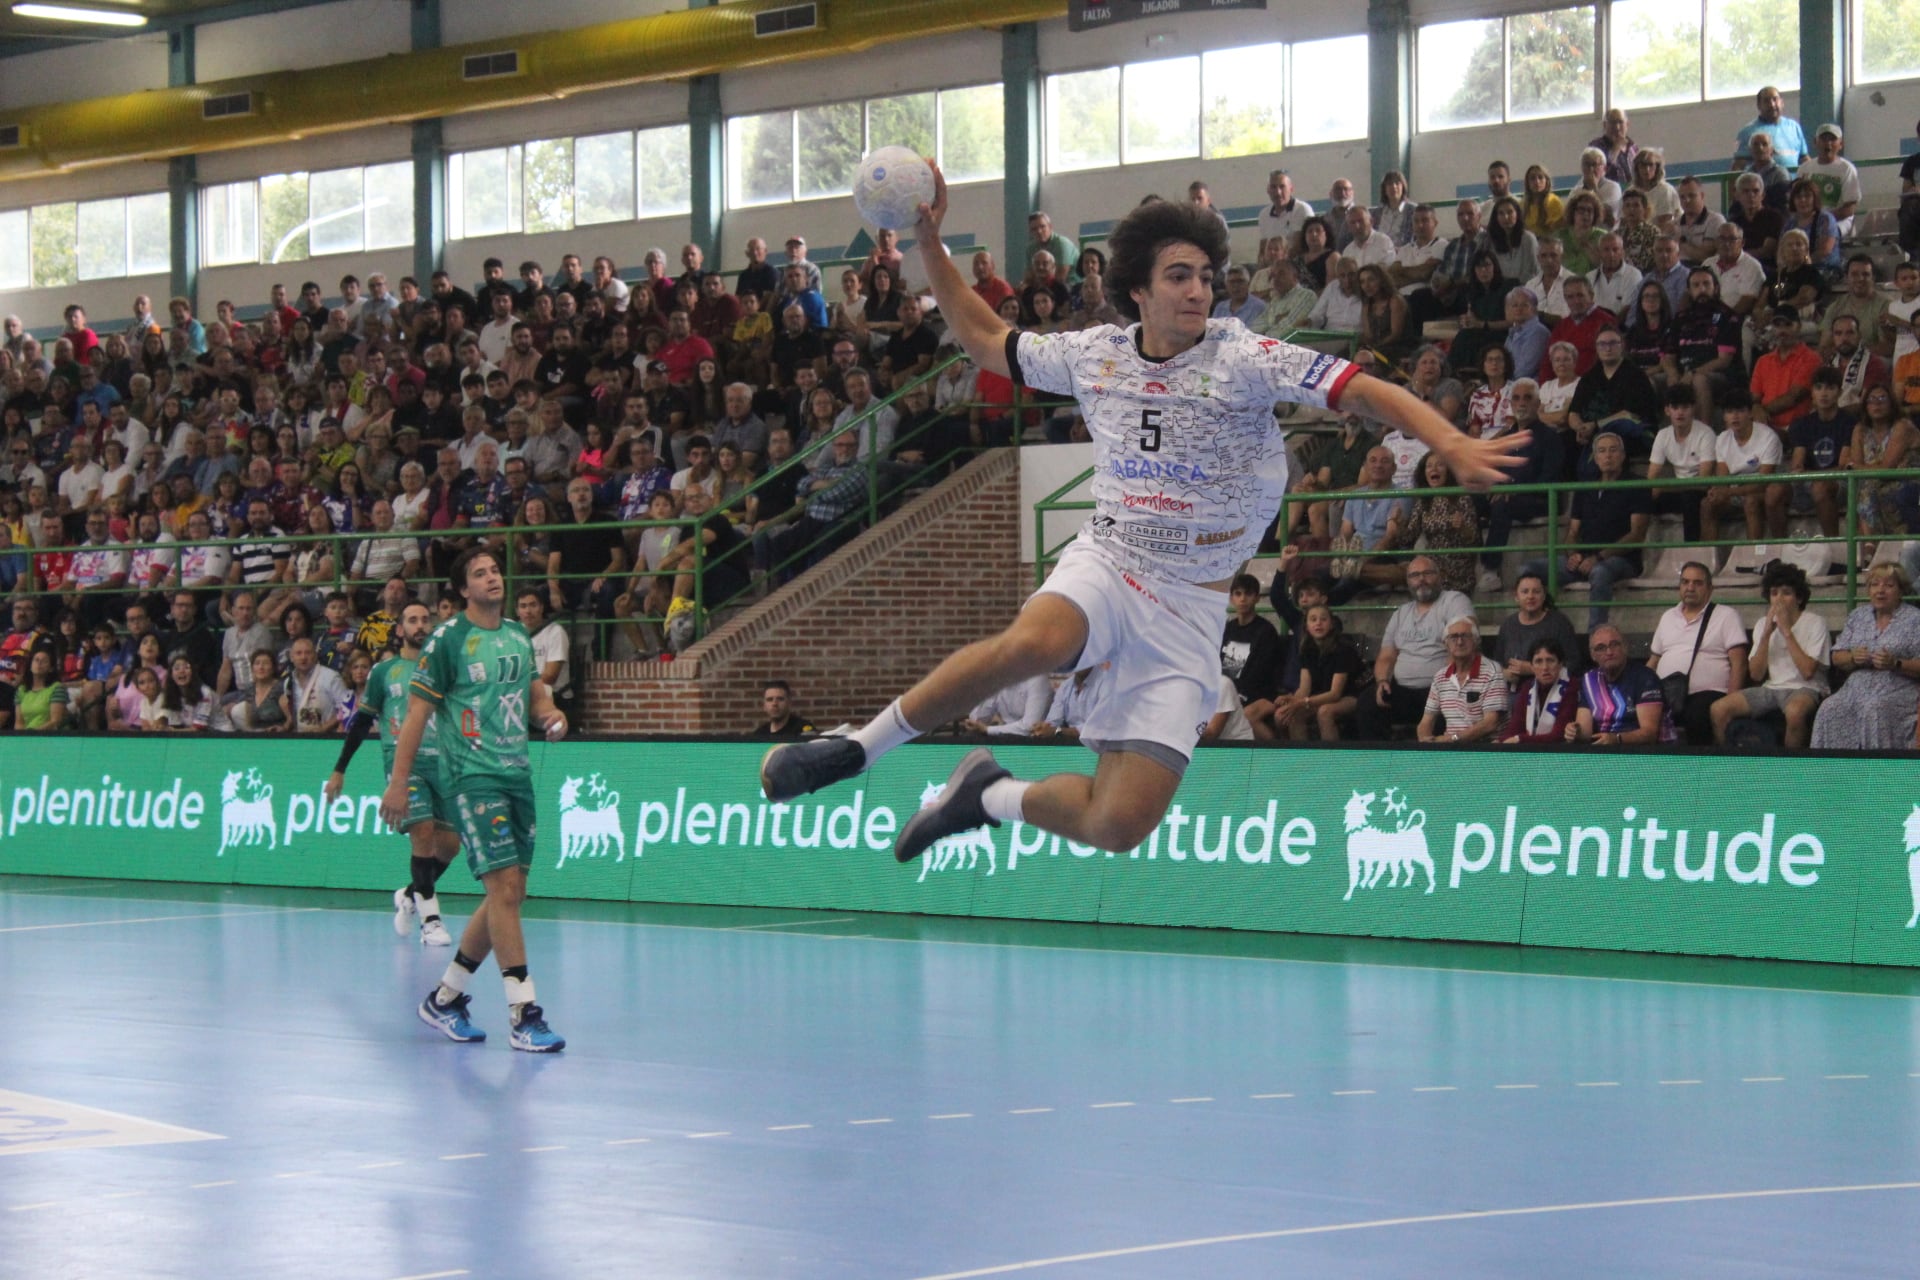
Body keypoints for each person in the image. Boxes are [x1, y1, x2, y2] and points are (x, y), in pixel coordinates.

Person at [760, 173, 1526, 863]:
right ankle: (859, 748)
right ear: (1138, 290)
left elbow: (1359, 388)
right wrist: (929, 241)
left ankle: (983, 794)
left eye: (1207, 276)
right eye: (1179, 276)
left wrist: (1448, 437)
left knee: (1116, 825)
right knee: (1042, 643)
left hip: (1195, 601)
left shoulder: (1245, 356)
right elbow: (986, 340)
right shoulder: (1096, 354)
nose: (1199, 291)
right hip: (1115, 558)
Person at [384, 547, 568, 1051]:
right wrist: (398, 783)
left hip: (517, 775)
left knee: (509, 895)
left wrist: (552, 715)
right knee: (504, 889)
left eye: (495, 570)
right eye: (480, 574)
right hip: (471, 777)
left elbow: (535, 697)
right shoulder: (447, 640)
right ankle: (524, 1013)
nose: (492, 578)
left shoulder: (515, 635)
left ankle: (445, 998)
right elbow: (417, 715)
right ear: (463, 590)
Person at [327, 601, 460, 947]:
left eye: (425, 619)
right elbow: (361, 722)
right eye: (412, 619)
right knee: (424, 832)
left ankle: (409, 894)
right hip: (404, 763)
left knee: (450, 846)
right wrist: (340, 769)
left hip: (442, 763)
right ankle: (431, 921)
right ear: (399, 629)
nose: (420, 625)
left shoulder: (443, 669)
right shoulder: (384, 672)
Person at [1709, 562, 1829, 748]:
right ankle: (1729, 767)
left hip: (1806, 688)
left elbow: (1808, 672)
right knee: (1718, 709)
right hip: (1771, 688)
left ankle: (1790, 770)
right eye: (1774, 594)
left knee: (1795, 712)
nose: (1779, 599)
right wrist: (1766, 634)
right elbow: (1756, 674)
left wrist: (1787, 631)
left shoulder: (1815, 623)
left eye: (1786, 593)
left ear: (1798, 598)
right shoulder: (1761, 624)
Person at [1360, 556, 1475, 740]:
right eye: (1414, 575)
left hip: (1440, 688)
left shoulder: (1454, 601)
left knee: (1451, 705)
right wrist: (1382, 681)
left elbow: (1463, 643)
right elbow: (1387, 656)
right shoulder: (1401, 613)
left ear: (1440, 576)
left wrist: (1444, 684)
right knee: (1367, 703)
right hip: (1403, 691)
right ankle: (1380, 763)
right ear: (1408, 582)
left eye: (1427, 573)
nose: (1421, 579)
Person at [1809, 564, 1920, 749]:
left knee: (1874, 708)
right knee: (1829, 709)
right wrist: (1852, 657)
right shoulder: (1857, 616)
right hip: (1855, 687)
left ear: (1901, 590)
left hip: (1898, 687)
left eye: (1889, 585)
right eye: (1874, 584)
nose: (1880, 591)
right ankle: (1829, 772)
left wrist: (1896, 663)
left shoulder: (1915, 619)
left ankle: (1876, 771)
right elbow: (1837, 657)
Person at [1648, 561, 1749, 745]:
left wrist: (1731, 702)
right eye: (1685, 582)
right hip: (1668, 693)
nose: (1690, 587)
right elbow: (1654, 660)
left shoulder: (1726, 615)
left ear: (1710, 588)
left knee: (1696, 715)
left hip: (1709, 694)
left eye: (1697, 583)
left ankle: (1701, 769)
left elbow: (1739, 663)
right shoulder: (1668, 617)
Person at [1569, 625, 1673, 746]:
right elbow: (1585, 733)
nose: (1609, 652)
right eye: (1601, 648)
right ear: (1593, 655)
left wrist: (1616, 739)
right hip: (1604, 750)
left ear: (1625, 647)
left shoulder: (1645, 678)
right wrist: (1574, 731)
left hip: (1645, 753)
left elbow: (1649, 734)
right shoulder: (1588, 681)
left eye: (1614, 644)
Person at [1416, 616, 1506, 744]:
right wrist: (1425, 740)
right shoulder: (1440, 677)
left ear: (1476, 641)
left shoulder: (1492, 671)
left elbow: (1490, 723)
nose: (1459, 642)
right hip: (1451, 750)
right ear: (1445, 643)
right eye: (1453, 637)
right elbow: (1426, 721)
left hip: (1485, 750)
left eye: (1465, 636)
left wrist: (1452, 739)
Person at [1218, 573, 1281, 739]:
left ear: (1257, 598)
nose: (1243, 599)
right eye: (1238, 594)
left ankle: (1274, 755)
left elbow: (1262, 672)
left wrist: (1238, 694)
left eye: (1248, 594)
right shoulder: (1227, 629)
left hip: (1260, 694)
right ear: (1231, 598)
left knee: (1243, 716)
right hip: (1227, 691)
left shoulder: (1266, 631)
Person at [1501, 638, 1577, 744]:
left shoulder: (1571, 686)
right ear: (1531, 666)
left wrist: (1520, 740)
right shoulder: (1527, 687)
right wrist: (1501, 742)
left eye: (1550, 660)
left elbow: (1558, 736)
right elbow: (1514, 727)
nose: (1545, 667)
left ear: (1560, 664)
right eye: (1538, 661)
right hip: (1530, 751)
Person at [1734, 85, 1809, 169]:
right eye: (1766, 101)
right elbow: (1738, 166)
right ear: (1759, 105)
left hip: (1794, 181)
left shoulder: (1794, 127)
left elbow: (1804, 158)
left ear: (1782, 102)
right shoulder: (1747, 132)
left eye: (1775, 99)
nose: (1772, 105)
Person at [750, 680, 815, 737]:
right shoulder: (759, 735)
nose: (774, 704)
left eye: (780, 699)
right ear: (764, 706)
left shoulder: (803, 730)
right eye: (770, 700)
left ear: (789, 703)